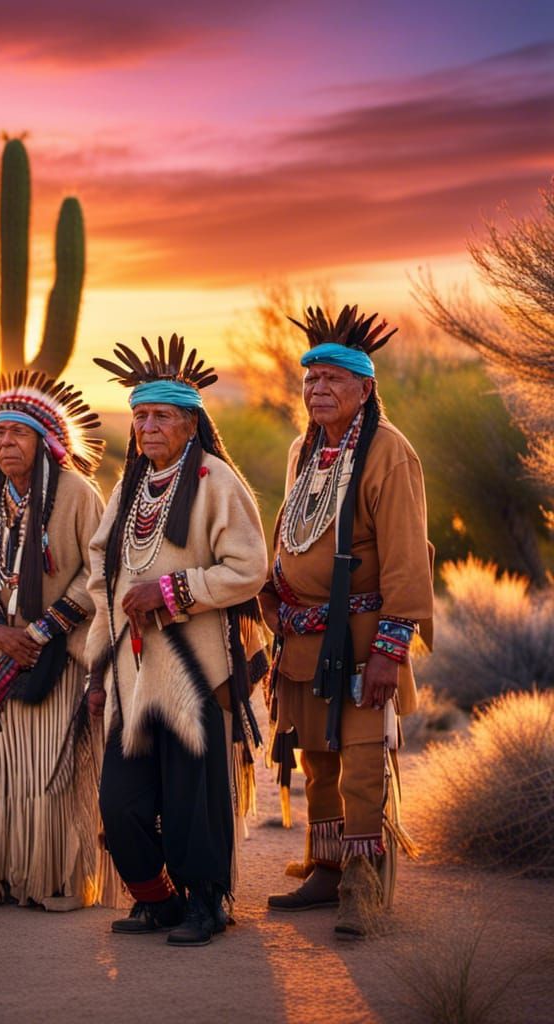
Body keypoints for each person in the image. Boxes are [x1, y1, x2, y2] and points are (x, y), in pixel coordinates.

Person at [86, 335, 269, 947]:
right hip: (131, 676)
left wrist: (171, 591)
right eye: (140, 416)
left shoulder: (216, 480)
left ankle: (206, 905)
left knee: (193, 800)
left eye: (161, 416)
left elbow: (249, 568)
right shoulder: (130, 485)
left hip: (195, 672)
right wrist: (96, 670)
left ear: (191, 422)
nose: (148, 427)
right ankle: (158, 900)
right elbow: (101, 576)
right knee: (121, 801)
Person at [261, 306, 432, 939]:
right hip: (306, 637)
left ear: (365, 387)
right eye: (311, 379)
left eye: (334, 378)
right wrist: (274, 590)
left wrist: (390, 648)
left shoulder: (389, 453)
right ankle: (328, 869)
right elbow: (293, 532)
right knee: (316, 759)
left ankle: (363, 884)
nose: (319, 389)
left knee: (361, 761)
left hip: (363, 639)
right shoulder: (304, 451)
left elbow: (407, 557)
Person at [0, 370, 114, 910]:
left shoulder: (77, 494)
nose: (5, 443)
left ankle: (55, 882)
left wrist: (43, 630)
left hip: (57, 658)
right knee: (2, 772)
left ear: (45, 442)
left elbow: (97, 573)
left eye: (18, 433)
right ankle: (3, 878)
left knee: (49, 773)